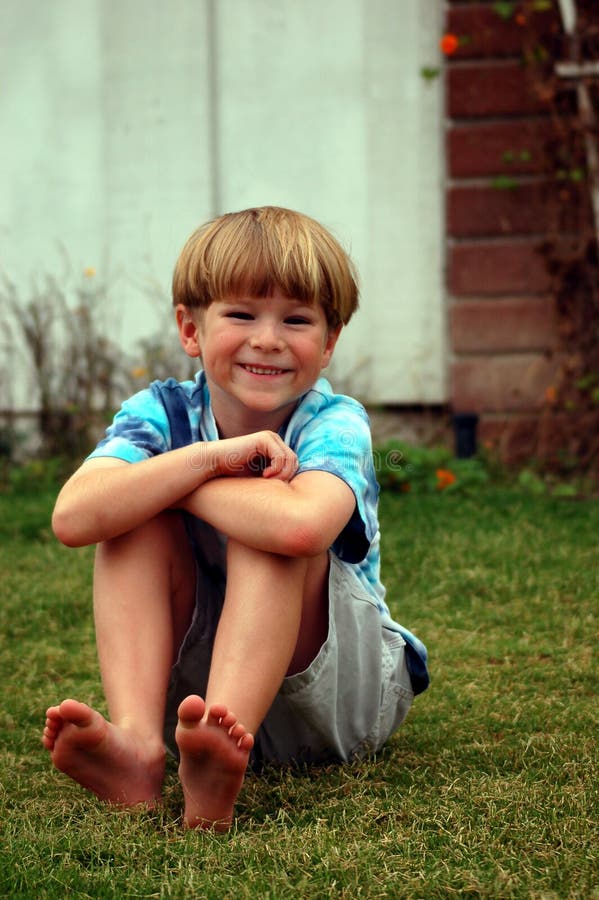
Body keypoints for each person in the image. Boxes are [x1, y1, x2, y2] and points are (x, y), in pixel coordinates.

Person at [42, 206, 428, 831]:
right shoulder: (161, 413)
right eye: (242, 314)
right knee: (132, 522)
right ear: (190, 330)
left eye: (297, 320)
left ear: (329, 342)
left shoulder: (334, 422)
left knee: (267, 523)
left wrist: (176, 480)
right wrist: (209, 459)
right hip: (192, 708)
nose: (269, 339)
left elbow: (302, 529)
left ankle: (226, 740)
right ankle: (142, 746)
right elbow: (74, 516)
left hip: (338, 699)